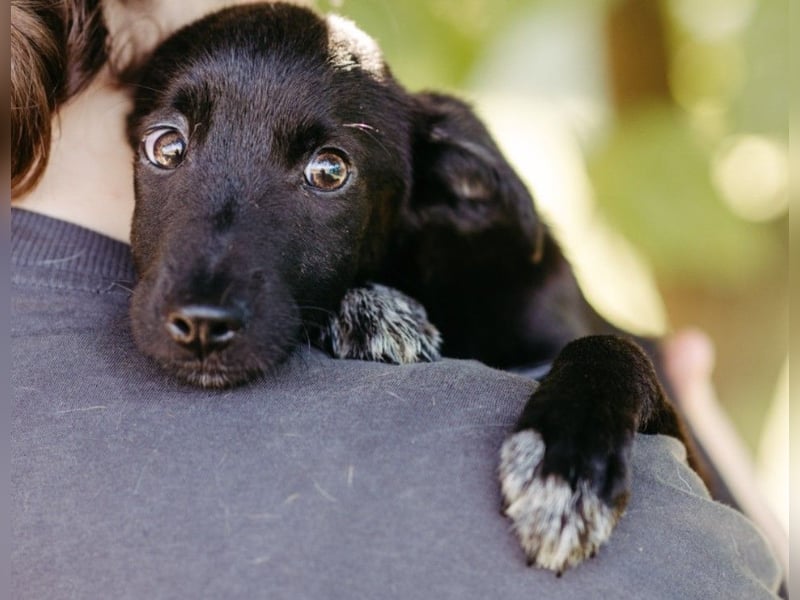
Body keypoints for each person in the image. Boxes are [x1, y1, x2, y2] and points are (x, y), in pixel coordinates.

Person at [10, 1, 783, 598]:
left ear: (460, 183)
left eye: (325, 172)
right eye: (170, 148)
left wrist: (625, 382)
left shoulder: (499, 270)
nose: (203, 300)